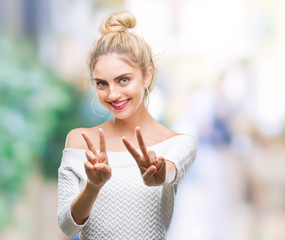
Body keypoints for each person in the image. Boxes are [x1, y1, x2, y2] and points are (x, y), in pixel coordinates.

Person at [57, 11, 198, 239]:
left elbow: (170, 171)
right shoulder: (80, 141)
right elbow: (67, 227)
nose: (113, 94)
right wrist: (93, 187)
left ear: (147, 76)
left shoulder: (178, 144)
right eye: (102, 84)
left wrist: (159, 175)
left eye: (123, 80)